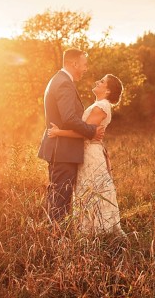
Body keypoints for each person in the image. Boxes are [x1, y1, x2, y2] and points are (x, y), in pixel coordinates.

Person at [47, 74, 124, 235]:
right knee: (89, 190)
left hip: (90, 154)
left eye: (102, 81)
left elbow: (84, 133)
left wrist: (58, 132)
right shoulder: (98, 104)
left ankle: (96, 231)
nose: (97, 81)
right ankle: (93, 230)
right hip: (87, 152)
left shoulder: (101, 106)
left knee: (92, 189)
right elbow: (88, 131)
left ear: (108, 90)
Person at [38, 48, 105, 223]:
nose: (85, 69)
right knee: (60, 200)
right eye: (84, 64)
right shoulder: (64, 83)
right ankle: (56, 241)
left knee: (58, 198)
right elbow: (68, 118)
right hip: (63, 150)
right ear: (73, 63)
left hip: (61, 149)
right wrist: (92, 131)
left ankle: (54, 238)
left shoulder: (59, 80)